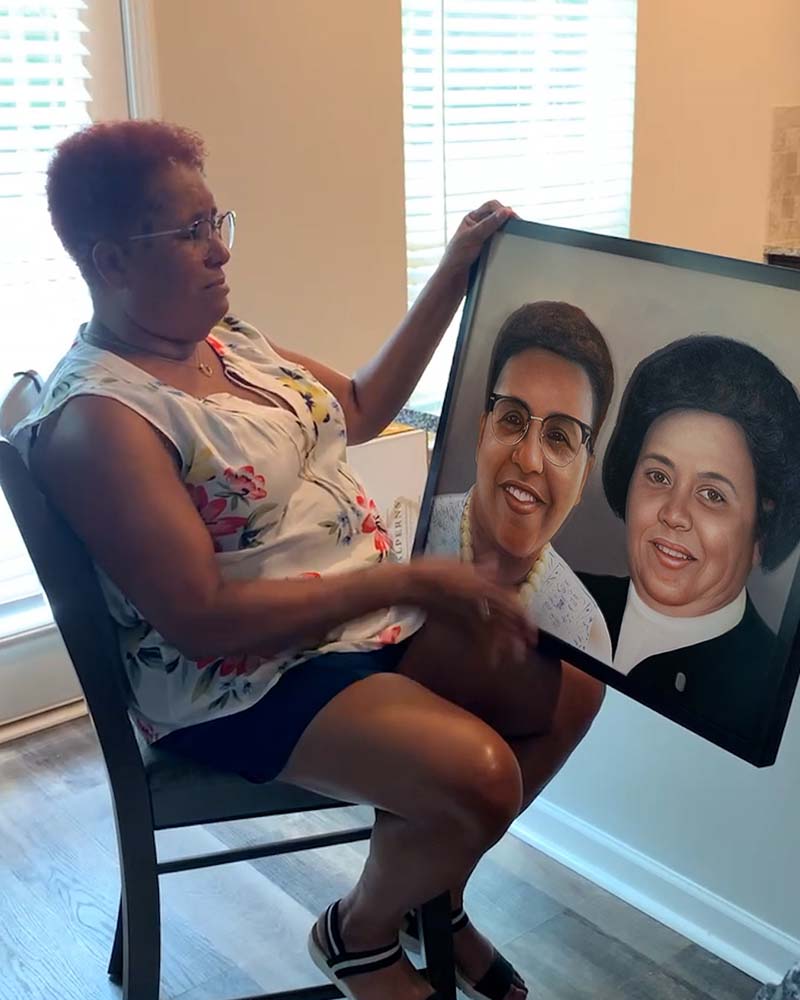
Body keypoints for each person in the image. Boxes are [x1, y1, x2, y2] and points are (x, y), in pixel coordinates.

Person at [11, 119, 605, 1000]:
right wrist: (404, 577)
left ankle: (429, 898)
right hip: (242, 679)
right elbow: (202, 617)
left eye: (218, 222)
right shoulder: (102, 421)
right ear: (111, 261)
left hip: (356, 623)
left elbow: (360, 405)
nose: (218, 252)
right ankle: (359, 936)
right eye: (188, 233)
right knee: (480, 778)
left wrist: (453, 269)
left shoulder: (224, 342)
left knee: (569, 685)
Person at [580, 335, 800, 747]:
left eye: (713, 495)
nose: (674, 514)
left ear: (761, 529)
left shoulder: (770, 692)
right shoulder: (562, 599)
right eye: (659, 477)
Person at [425, 301, 615, 664]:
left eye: (559, 437)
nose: (528, 459)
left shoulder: (586, 635)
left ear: (584, 477)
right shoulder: (408, 540)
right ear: (483, 433)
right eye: (512, 418)